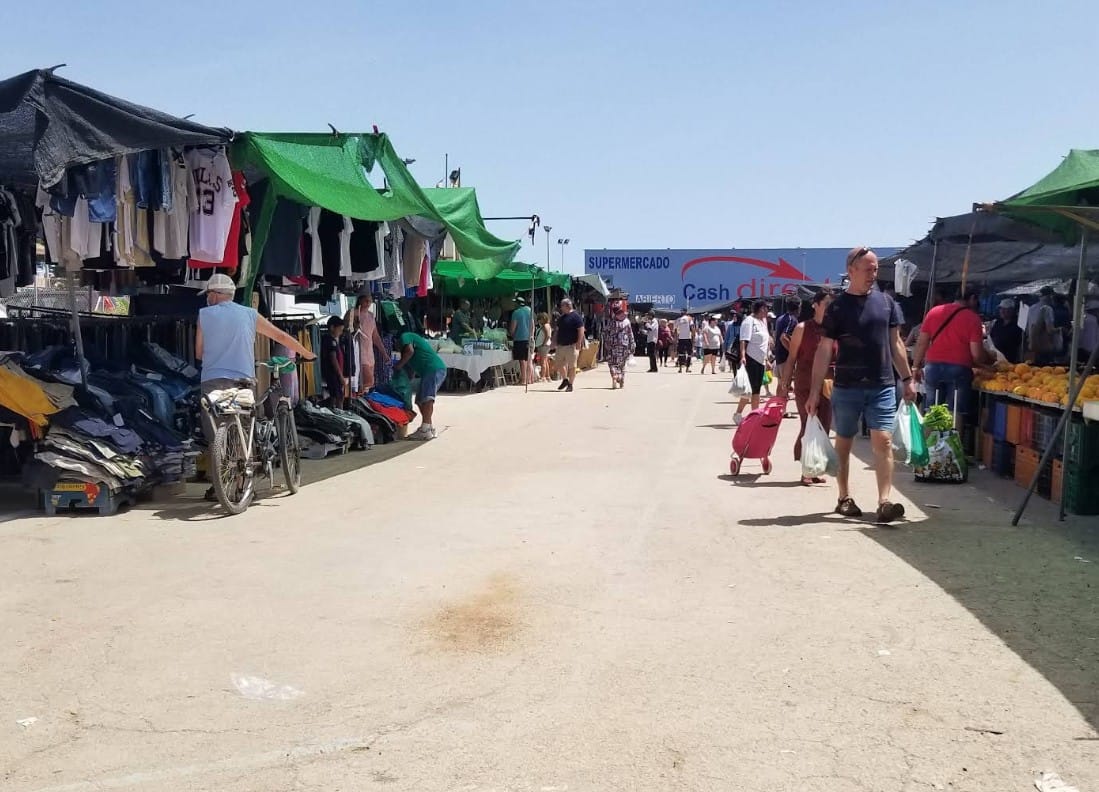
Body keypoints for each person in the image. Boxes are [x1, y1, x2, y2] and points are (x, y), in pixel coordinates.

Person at [807, 247, 916, 524]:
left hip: (881, 385)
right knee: (843, 442)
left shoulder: (887, 304)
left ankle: (884, 501)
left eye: (875, 269)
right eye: (868, 269)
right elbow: (824, 349)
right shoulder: (837, 307)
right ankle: (844, 497)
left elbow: (896, 344)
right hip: (846, 386)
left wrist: (907, 378)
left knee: (884, 440)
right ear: (852, 270)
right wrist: (813, 391)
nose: (873, 274)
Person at [195, 274, 316, 500]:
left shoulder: (203, 315)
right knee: (244, 428)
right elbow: (279, 335)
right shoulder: (249, 314)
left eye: (209, 295)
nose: (208, 299)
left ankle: (220, 482)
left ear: (214, 294)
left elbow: (198, 353)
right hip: (242, 379)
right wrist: (307, 353)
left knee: (216, 433)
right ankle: (243, 482)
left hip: (212, 380)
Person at [779, 289, 835, 485]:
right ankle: (806, 469)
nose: (829, 309)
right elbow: (791, 358)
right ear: (815, 305)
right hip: (804, 382)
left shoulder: (833, 330)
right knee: (808, 423)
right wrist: (784, 383)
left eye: (831, 305)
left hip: (828, 383)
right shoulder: (802, 328)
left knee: (824, 426)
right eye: (826, 304)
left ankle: (816, 467)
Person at [911, 288, 989, 422]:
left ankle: (930, 442)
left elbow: (921, 343)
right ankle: (951, 441)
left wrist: (915, 367)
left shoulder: (934, 312)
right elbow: (976, 354)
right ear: (971, 299)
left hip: (933, 367)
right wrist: (987, 361)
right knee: (954, 413)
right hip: (959, 369)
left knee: (931, 410)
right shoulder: (973, 318)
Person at [393, 330, 448, 440]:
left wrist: (398, 365)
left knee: (427, 399)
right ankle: (428, 426)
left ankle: (425, 429)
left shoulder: (405, 336)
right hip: (429, 371)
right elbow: (411, 372)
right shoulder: (408, 350)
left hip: (432, 369)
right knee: (419, 400)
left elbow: (410, 351)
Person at [734, 301, 771, 425]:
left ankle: (754, 415)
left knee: (756, 390)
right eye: (766, 308)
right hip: (751, 359)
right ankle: (741, 414)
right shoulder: (749, 321)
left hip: (761, 360)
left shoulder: (763, 322)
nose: (767, 311)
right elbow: (743, 340)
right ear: (761, 309)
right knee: (751, 390)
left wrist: (767, 359)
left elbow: (765, 342)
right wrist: (743, 356)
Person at [345, 293, 387, 394]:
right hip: (357, 351)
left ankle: (362, 399)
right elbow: (347, 330)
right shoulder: (352, 313)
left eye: (370, 301)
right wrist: (355, 326)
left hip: (369, 354)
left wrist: (384, 353)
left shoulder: (371, 315)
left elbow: (375, 336)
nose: (368, 303)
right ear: (360, 300)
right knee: (367, 381)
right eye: (366, 301)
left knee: (368, 384)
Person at [602, 298, 635, 389]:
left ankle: (615, 376)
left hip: (612, 346)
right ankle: (621, 378)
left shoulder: (611, 322)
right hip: (624, 345)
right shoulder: (627, 322)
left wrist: (606, 343)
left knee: (612, 363)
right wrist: (632, 345)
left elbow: (605, 333)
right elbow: (630, 334)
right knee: (622, 364)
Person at [554, 298, 585, 392]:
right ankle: (565, 379)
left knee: (572, 366)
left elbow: (581, 330)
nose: (560, 308)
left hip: (571, 345)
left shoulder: (576, 316)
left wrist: (579, 342)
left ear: (567, 306)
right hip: (561, 345)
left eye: (562, 306)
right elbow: (557, 330)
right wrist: (553, 341)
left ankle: (570, 384)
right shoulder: (561, 318)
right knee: (559, 364)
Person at [320, 315, 349, 409]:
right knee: (338, 397)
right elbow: (333, 359)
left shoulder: (334, 340)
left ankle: (332, 410)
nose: (340, 333)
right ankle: (339, 415)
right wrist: (340, 376)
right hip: (333, 373)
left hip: (335, 374)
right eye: (339, 330)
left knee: (334, 396)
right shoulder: (329, 341)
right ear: (332, 327)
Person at [1027, 286, 1059, 365]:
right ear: (1050, 296)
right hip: (1044, 345)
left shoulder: (1031, 308)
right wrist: (1060, 329)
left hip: (1032, 343)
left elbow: (1028, 327)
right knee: (1046, 368)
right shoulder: (1047, 309)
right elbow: (1049, 330)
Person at [774, 298, 802, 382]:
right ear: (798, 307)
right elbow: (783, 338)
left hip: (779, 358)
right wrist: (794, 354)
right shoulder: (792, 320)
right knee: (786, 386)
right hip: (785, 359)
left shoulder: (780, 318)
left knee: (781, 386)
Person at [989, 298, 1023, 364]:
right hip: (995, 357)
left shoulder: (1018, 324)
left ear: (1012, 310)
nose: (1002, 311)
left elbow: (1020, 343)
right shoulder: (997, 322)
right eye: (1001, 309)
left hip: (1010, 360)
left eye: (1005, 309)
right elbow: (991, 336)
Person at [509, 296, 534, 385]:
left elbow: (513, 328)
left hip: (519, 339)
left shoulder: (516, 313)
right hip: (529, 338)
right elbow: (532, 325)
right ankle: (530, 379)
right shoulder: (529, 310)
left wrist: (511, 334)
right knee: (529, 359)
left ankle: (523, 380)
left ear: (517, 304)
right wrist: (531, 335)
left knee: (522, 361)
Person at [534, 312, 553, 381]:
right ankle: (547, 376)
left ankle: (543, 377)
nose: (539, 321)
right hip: (544, 345)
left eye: (540, 319)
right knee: (545, 361)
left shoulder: (545, 325)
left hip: (544, 346)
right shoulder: (546, 325)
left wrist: (543, 343)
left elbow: (548, 335)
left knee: (543, 362)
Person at [1079, 299, 1099, 364]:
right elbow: (1092, 337)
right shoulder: (1092, 320)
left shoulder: (1082, 317)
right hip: (1090, 351)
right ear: (1094, 310)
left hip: (1081, 349)